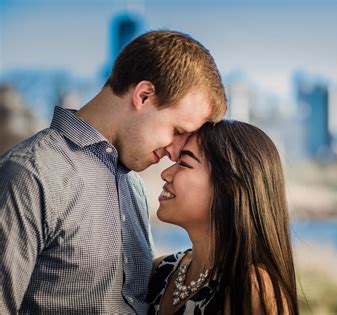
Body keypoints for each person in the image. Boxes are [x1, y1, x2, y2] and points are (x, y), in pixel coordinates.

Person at [0, 30, 226, 314]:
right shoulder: (30, 174)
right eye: (176, 131)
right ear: (143, 95)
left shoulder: (133, 186)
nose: (174, 151)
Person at [148, 120, 299, 315]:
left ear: (228, 187)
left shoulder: (252, 287)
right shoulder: (161, 270)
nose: (165, 174)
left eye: (184, 163)